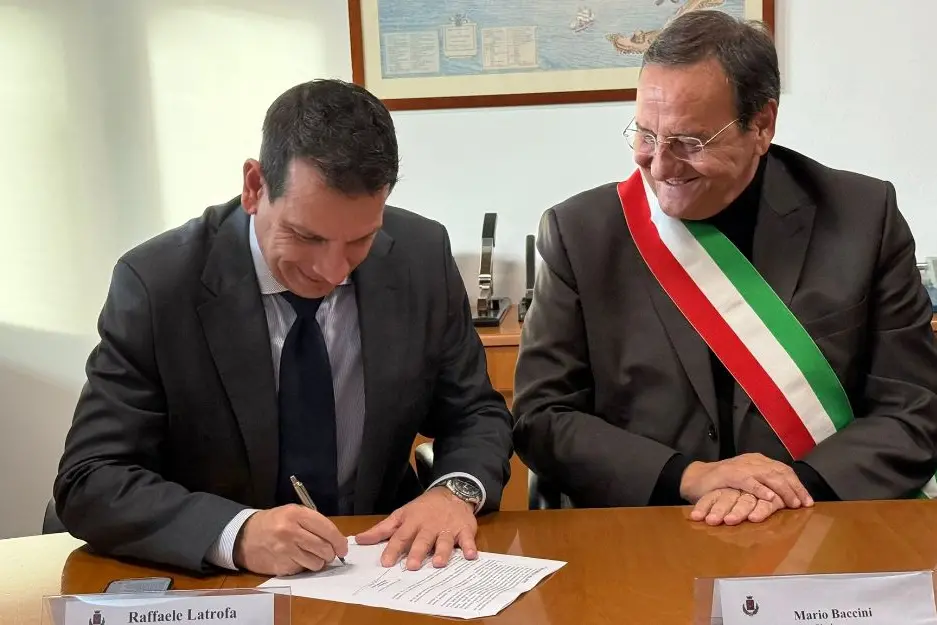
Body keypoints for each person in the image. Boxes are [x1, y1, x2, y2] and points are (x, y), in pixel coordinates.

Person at [54, 79, 513, 575]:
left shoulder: (420, 256)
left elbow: (474, 413)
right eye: (306, 236)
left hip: (377, 563)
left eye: (360, 240)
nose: (332, 271)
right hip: (224, 583)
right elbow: (90, 478)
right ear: (255, 186)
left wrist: (453, 492)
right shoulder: (158, 284)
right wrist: (236, 533)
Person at [513, 10, 937, 526]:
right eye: (645, 135)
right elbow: (541, 419)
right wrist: (689, 477)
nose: (659, 166)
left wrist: (789, 488)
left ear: (762, 125)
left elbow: (914, 409)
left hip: (820, 520)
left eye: (690, 143)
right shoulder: (580, 234)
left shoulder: (862, 218)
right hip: (646, 529)